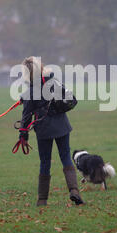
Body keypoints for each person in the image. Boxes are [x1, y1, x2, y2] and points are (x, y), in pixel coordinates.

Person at [18, 56, 84, 206]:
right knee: (66, 157)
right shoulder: (54, 82)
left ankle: (42, 200)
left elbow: (26, 116)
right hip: (62, 126)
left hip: (43, 130)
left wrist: (23, 134)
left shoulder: (30, 91)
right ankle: (74, 191)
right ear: (40, 68)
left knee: (45, 162)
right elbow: (70, 98)